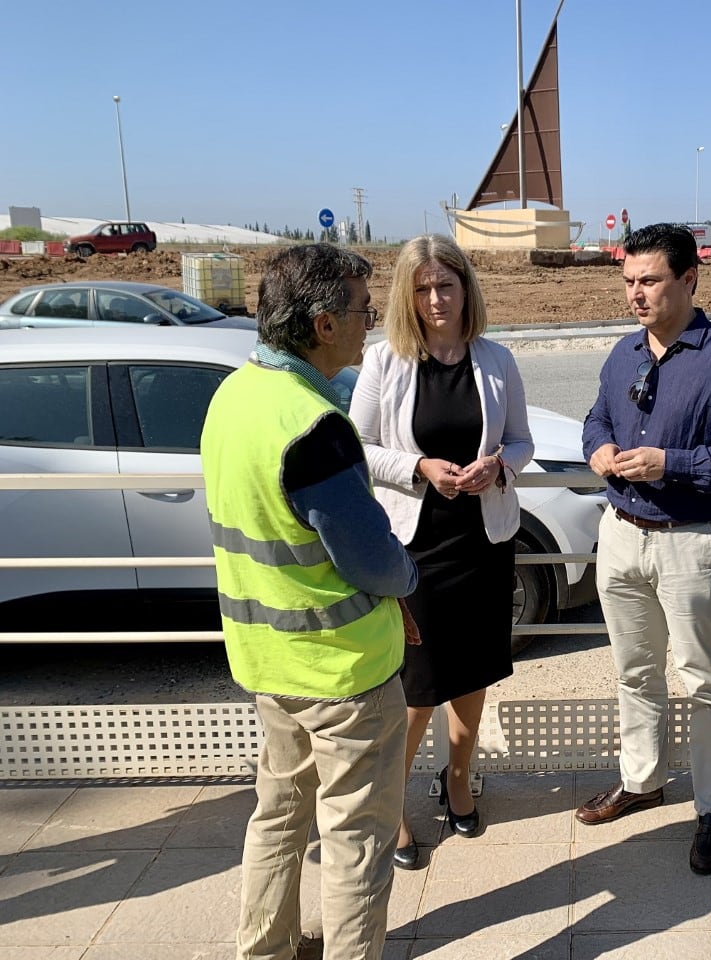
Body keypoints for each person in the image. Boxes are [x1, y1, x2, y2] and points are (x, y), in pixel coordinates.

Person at [201, 243, 419, 960]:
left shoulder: (234, 395)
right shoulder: (313, 427)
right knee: (357, 843)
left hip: (267, 663)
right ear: (324, 325)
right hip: (343, 675)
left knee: (277, 820)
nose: (371, 324)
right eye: (362, 310)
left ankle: (261, 949)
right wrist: (409, 581)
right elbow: (374, 563)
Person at [576, 222, 711, 875]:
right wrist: (598, 450)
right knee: (634, 672)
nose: (636, 294)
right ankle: (642, 782)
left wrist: (674, 462)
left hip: (691, 542)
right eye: (629, 282)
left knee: (706, 681)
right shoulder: (623, 353)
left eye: (650, 281)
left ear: (689, 280)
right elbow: (596, 417)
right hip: (620, 536)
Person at [350, 234, 533, 866]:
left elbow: (522, 442)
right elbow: (361, 449)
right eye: (422, 288)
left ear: (466, 289)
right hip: (416, 548)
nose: (435, 299)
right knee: (419, 688)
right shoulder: (385, 361)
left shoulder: (496, 359)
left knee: (474, 674)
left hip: (482, 541)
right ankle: (392, 804)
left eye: (445, 286)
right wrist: (420, 466)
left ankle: (459, 780)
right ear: (407, 293)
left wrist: (498, 467)